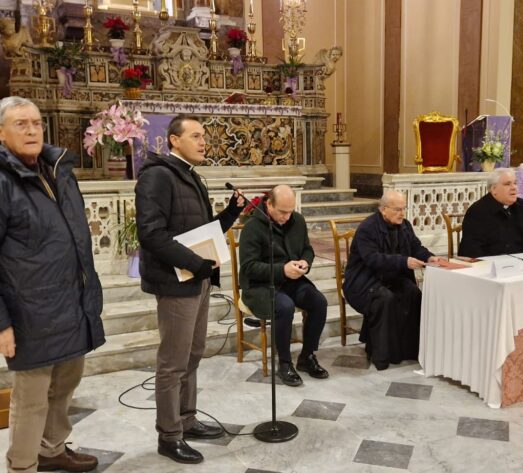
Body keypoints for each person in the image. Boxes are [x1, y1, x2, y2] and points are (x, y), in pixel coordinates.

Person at [0, 96, 104, 473]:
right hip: (28, 313)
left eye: (36, 123)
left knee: (66, 385)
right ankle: (22, 465)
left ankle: (52, 449)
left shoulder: (58, 171)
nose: (31, 130)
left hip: (71, 305)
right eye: (20, 124)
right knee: (32, 398)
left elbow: (73, 239)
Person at [135, 115, 245, 464]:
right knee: (173, 361)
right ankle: (169, 435)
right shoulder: (157, 177)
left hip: (194, 279)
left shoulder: (189, 176)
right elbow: (152, 234)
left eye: (204, 136)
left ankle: (187, 419)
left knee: (194, 352)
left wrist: (229, 215)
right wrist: (194, 264)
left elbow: (198, 231)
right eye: (195, 136)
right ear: (173, 140)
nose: (203, 142)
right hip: (174, 281)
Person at [238, 184, 329, 387]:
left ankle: (307, 357)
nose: (287, 217)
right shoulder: (252, 228)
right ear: (269, 204)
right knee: (285, 306)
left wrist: (306, 262)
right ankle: (284, 363)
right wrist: (282, 269)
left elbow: (307, 249)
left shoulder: (297, 220)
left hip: (290, 280)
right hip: (259, 286)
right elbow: (249, 267)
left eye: (290, 211)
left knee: (319, 302)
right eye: (282, 212)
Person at [343, 190, 444, 370]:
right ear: (383, 209)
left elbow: (415, 246)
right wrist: (403, 261)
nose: (402, 213)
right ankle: (381, 356)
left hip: (391, 277)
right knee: (385, 298)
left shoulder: (404, 225)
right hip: (363, 280)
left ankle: (409, 350)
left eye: (404, 208)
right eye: (397, 209)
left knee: (413, 293)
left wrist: (429, 258)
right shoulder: (368, 228)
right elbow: (372, 259)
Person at [458, 168, 523, 258]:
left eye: (515, 183)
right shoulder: (478, 211)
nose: (514, 187)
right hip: (492, 265)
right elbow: (472, 248)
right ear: (494, 189)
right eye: (507, 184)